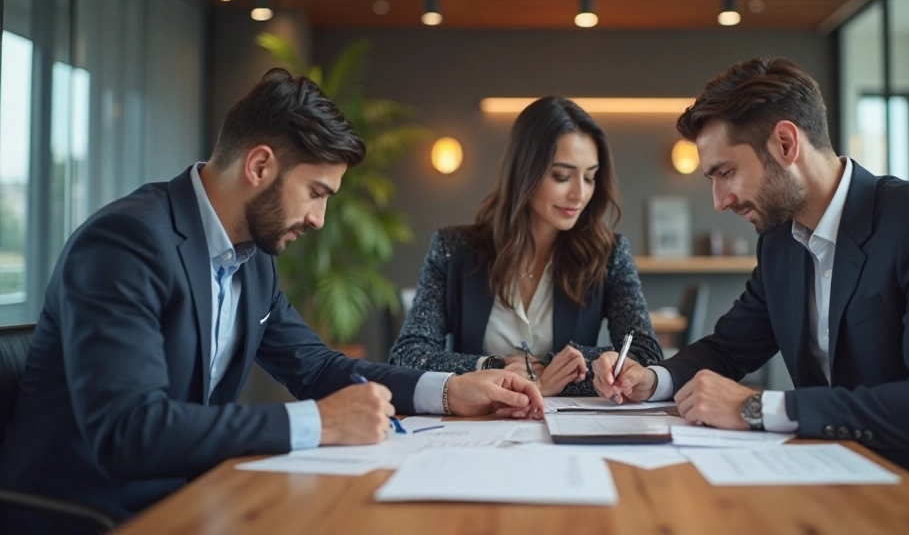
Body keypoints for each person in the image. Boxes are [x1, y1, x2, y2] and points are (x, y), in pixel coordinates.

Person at [0, 69, 544, 534]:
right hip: (93, 514)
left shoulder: (251, 260)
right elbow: (131, 432)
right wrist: (320, 425)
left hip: (191, 499)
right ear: (260, 167)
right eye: (316, 193)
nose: (318, 220)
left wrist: (449, 390)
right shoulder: (127, 242)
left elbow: (317, 367)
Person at [592, 57, 909, 525]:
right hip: (840, 477)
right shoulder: (780, 243)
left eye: (726, 172)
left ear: (785, 143)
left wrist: (757, 407)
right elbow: (728, 348)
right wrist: (652, 381)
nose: (720, 201)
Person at [389, 96, 662, 397]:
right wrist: (496, 366)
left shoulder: (608, 254)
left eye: (590, 177)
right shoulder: (453, 249)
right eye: (562, 176)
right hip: (478, 427)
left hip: (570, 428)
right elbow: (408, 356)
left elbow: (646, 354)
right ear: (524, 172)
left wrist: (564, 369)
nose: (579, 194)